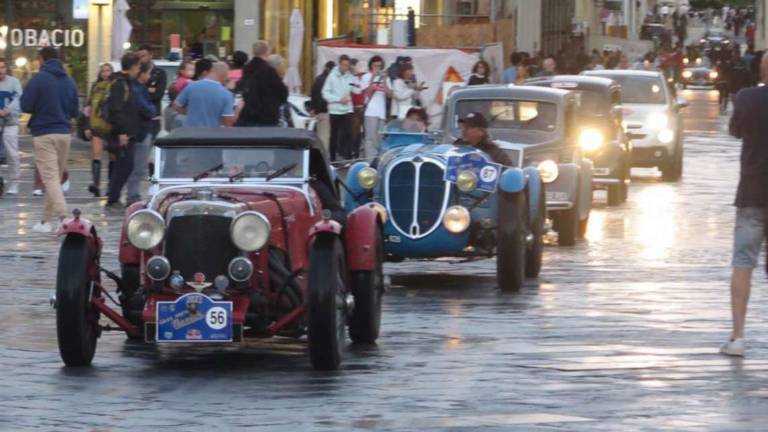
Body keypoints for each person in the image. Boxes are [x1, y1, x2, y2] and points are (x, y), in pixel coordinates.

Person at [721, 52, 768, 357]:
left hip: (752, 192)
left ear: (761, 69)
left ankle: (737, 337)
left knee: (743, 263)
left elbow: (735, 131)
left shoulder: (745, 98)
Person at [20, 47, 78, 232]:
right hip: (64, 133)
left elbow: (25, 105)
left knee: (51, 179)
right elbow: (75, 110)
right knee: (55, 178)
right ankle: (45, 222)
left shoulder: (38, 79)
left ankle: (64, 217)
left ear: (41, 59)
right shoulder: (69, 81)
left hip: (44, 133)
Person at [105, 52, 142, 210]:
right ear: (133, 67)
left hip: (127, 132)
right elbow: (117, 109)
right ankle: (112, 198)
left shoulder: (126, 82)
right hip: (123, 133)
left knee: (124, 165)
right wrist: (122, 132)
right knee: (124, 166)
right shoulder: (120, 84)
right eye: (138, 67)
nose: (139, 70)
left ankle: (113, 197)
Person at [126, 62, 158, 205]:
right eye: (148, 73)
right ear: (142, 73)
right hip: (141, 131)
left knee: (139, 166)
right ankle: (132, 195)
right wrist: (152, 111)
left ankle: (133, 194)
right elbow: (148, 109)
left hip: (141, 130)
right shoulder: (138, 90)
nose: (149, 76)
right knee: (138, 166)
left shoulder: (139, 88)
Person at [235, 40, 288, 126]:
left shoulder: (247, 69)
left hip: (248, 116)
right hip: (267, 116)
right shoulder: (269, 70)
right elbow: (282, 93)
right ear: (267, 52)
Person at [83, 62, 114, 197]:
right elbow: (88, 108)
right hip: (96, 125)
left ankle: (111, 186)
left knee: (113, 157)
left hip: (111, 126)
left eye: (108, 71)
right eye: (103, 71)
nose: (105, 73)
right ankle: (96, 185)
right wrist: (87, 126)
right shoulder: (96, 86)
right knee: (96, 155)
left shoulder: (114, 85)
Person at [321, 55, 361, 161]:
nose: (345, 67)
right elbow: (325, 93)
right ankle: (333, 158)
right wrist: (338, 99)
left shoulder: (350, 77)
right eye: (343, 65)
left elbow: (357, 90)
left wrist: (355, 76)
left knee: (348, 133)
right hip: (335, 110)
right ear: (339, 64)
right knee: (334, 135)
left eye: (347, 65)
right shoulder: (332, 76)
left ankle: (347, 157)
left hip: (347, 110)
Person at [174, 61, 235, 128]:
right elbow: (227, 121)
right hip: (211, 134)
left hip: (190, 132)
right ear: (224, 75)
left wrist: (191, 112)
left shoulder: (192, 85)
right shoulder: (226, 94)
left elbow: (176, 106)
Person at [0, 57, 23, 196]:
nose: (0, 70)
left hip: (10, 123)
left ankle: (14, 182)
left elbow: (18, 98)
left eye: (2, 67)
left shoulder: (14, 82)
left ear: (6, 68)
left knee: (12, 154)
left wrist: (7, 110)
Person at [359, 56, 390, 158]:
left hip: (381, 112)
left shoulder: (384, 78)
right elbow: (366, 93)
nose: (377, 68)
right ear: (371, 65)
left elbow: (390, 94)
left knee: (380, 138)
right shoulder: (365, 77)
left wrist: (384, 80)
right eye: (375, 65)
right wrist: (372, 79)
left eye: (379, 66)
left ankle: (378, 160)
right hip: (370, 111)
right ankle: (369, 161)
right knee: (370, 138)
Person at [137, 44, 167, 139]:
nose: (141, 59)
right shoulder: (136, 73)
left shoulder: (160, 73)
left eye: (143, 56)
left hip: (154, 117)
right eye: (139, 57)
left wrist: (141, 97)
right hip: (138, 117)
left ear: (151, 55)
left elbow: (158, 95)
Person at [310, 61, 335, 154]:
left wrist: (315, 109)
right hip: (325, 112)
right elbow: (324, 98)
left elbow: (313, 95)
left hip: (319, 113)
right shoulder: (327, 81)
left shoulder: (318, 79)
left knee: (321, 137)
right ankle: (324, 161)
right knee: (324, 138)